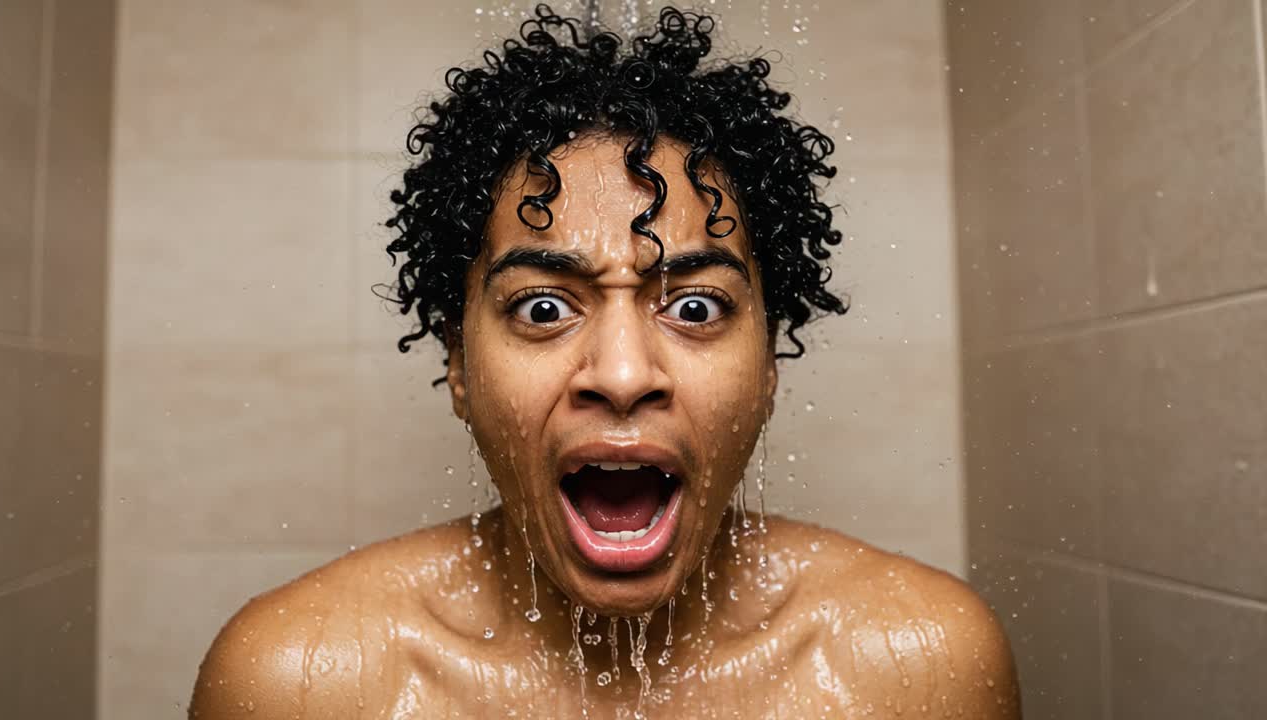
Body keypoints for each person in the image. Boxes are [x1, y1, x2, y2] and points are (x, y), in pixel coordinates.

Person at [189, 5, 1020, 718]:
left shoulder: (918, 670)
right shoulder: (303, 682)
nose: (622, 375)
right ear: (459, 366)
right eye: (543, 309)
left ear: (769, 365)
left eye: (695, 307)